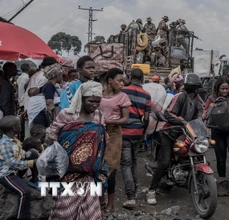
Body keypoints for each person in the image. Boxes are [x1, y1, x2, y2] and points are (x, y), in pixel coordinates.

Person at [46, 81, 108, 220]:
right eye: (91, 101)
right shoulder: (67, 115)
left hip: (89, 172)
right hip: (67, 172)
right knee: (64, 212)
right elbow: (52, 137)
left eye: (98, 101)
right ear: (81, 98)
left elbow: (102, 140)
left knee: (90, 212)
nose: (94, 104)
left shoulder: (99, 116)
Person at [147, 74, 203, 205]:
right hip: (170, 133)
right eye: (192, 87)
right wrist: (182, 122)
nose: (194, 90)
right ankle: (151, 190)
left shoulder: (197, 99)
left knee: (198, 154)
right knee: (165, 162)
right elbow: (168, 113)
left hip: (188, 134)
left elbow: (200, 111)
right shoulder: (180, 97)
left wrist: (200, 120)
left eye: (195, 88)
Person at [99, 68, 131, 215]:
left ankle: (111, 204)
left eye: (123, 80)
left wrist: (109, 121)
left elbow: (125, 119)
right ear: (110, 80)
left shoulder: (123, 97)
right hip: (97, 133)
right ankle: (100, 201)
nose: (122, 83)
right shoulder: (99, 94)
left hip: (113, 134)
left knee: (110, 169)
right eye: (119, 80)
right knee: (97, 167)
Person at [120, 68, 151, 208]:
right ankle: (135, 191)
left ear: (130, 76)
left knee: (125, 163)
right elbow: (146, 118)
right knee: (133, 161)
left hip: (124, 131)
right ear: (142, 78)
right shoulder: (147, 95)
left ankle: (131, 196)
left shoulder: (123, 91)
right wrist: (142, 132)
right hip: (138, 132)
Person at [203, 78, 229, 178]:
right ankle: (222, 178)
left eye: (227, 88)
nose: (225, 91)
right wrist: (210, 108)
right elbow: (205, 115)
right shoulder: (211, 99)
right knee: (220, 157)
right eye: (222, 89)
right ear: (217, 88)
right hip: (217, 132)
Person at [0, 116, 37, 220]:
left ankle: (35, 179)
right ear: (13, 128)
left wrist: (34, 155)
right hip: (7, 174)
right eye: (19, 124)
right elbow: (12, 163)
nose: (20, 126)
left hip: (15, 171)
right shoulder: (4, 144)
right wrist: (31, 163)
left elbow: (22, 155)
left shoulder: (14, 141)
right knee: (24, 191)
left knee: (32, 153)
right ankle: (23, 216)